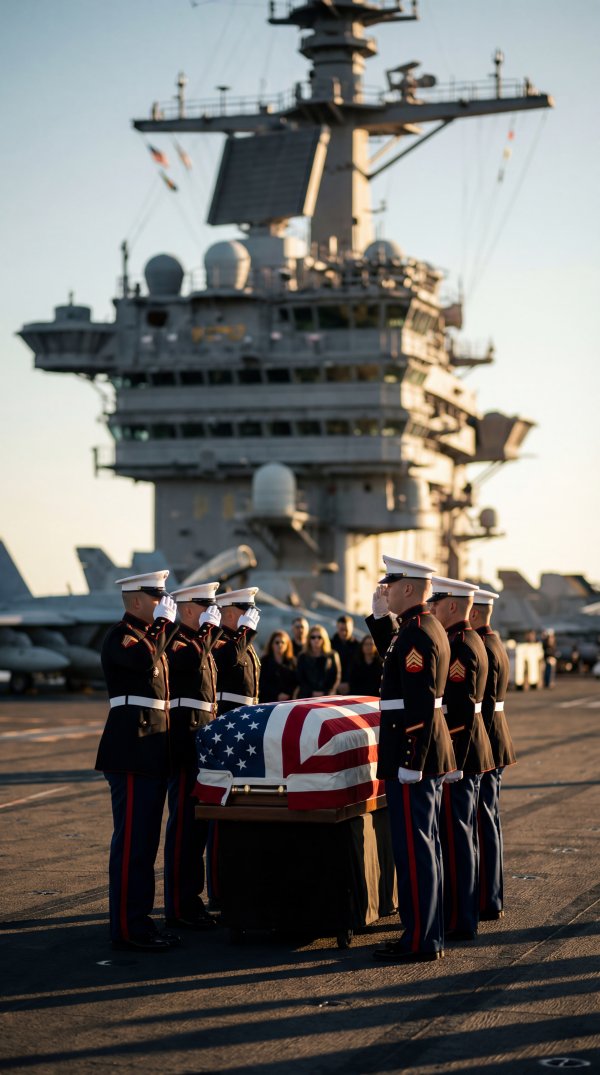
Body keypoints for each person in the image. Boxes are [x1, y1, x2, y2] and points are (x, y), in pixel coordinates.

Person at [367, 556, 456, 963]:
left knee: (415, 849)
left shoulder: (418, 632)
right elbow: (396, 663)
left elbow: (418, 701)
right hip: (421, 751)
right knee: (425, 846)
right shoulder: (420, 628)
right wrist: (379, 620)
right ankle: (426, 931)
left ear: (407, 587)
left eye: (390, 585)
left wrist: (411, 758)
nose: (385, 590)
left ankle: (420, 939)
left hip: (411, 753)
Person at [95, 570, 179, 952]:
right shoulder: (121, 636)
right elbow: (145, 665)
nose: (162, 603)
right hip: (131, 749)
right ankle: (127, 928)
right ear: (135, 601)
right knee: (132, 844)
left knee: (145, 845)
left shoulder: (149, 637)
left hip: (150, 752)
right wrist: (163, 626)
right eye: (155, 597)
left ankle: (140, 921)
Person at [428, 576, 494, 942]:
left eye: (436, 604)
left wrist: (451, 760)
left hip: (462, 756)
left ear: (451, 606)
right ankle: (463, 914)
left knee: (457, 839)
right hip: (469, 753)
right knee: (463, 837)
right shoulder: (468, 640)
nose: (432, 609)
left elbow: (461, 712)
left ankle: (460, 918)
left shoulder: (462, 646)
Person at [164, 582, 222, 931]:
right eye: (205, 605)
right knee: (184, 831)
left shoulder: (199, 641)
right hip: (184, 747)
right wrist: (207, 635)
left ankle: (190, 900)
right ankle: (178, 906)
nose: (210, 611)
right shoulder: (178, 642)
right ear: (188, 609)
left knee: (196, 831)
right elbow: (186, 665)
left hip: (200, 746)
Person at [469, 588, 517, 921]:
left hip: (485, 740)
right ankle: (493, 895)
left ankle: (487, 897)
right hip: (497, 738)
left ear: (473, 613)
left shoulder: (482, 647)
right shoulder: (495, 643)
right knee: (490, 820)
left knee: (483, 822)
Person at [213, 587, 261, 715]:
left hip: (247, 713)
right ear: (229, 615)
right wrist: (244, 630)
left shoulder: (243, 642)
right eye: (246, 611)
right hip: (228, 713)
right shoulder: (218, 640)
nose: (251, 616)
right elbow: (228, 658)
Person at [296, 624, 341, 697]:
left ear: (324, 639)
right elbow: (300, 678)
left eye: (319, 637)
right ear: (309, 639)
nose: (316, 640)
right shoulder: (302, 656)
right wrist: (312, 692)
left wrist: (326, 692)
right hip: (307, 696)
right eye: (313, 637)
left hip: (327, 696)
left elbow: (336, 676)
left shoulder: (333, 655)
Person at [259, 630, 298, 702]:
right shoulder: (264, 661)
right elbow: (262, 683)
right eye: (277, 642)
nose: (280, 645)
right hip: (268, 701)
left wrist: (287, 693)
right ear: (272, 644)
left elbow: (296, 681)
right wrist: (277, 694)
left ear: (287, 645)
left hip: (288, 701)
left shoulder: (292, 662)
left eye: (283, 642)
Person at [330, 614, 361, 694]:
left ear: (352, 628)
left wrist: (349, 683)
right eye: (341, 629)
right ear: (337, 628)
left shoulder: (358, 646)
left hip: (353, 688)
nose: (344, 632)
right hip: (332, 687)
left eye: (346, 630)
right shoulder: (330, 645)